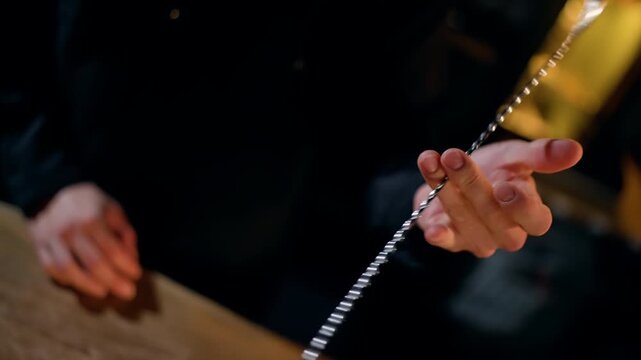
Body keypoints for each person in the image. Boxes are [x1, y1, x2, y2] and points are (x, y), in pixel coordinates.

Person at [2, 0, 582, 350]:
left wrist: (436, 199)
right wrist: (46, 178)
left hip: (219, 286)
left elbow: (373, 149)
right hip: (22, 226)